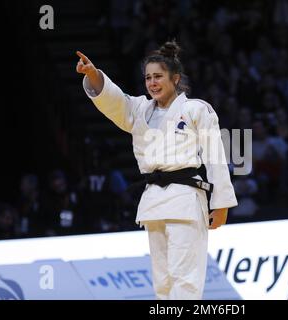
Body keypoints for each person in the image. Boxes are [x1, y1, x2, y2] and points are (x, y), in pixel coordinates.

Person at [76, 40, 238, 300]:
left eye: (158, 77)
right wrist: (94, 74)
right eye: (148, 77)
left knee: (184, 281)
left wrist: (221, 204)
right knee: (162, 283)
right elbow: (114, 101)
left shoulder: (195, 109)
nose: (152, 83)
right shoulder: (140, 109)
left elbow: (216, 157)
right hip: (154, 201)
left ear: (175, 79)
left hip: (186, 199)